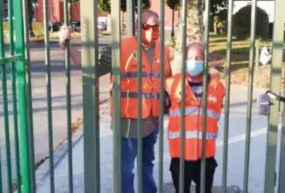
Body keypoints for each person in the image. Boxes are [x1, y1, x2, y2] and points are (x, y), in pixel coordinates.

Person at [58, 10, 172, 193]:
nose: (152, 30)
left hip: (152, 120)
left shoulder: (164, 51)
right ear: (138, 27)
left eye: (156, 26)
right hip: (128, 121)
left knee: (147, 163)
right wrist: (68, 44)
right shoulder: (120, 49)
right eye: (147, 26)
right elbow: (91, 67)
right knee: (126, 169)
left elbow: (170, 80)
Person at [165, 43, 225, 193]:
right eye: (190, 58)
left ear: (205, 61)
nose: (194, 61)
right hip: (181, 155)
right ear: (185, 60)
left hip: (206, 155)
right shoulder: (172, 84)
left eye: (198, 58)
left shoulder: (216, 86)